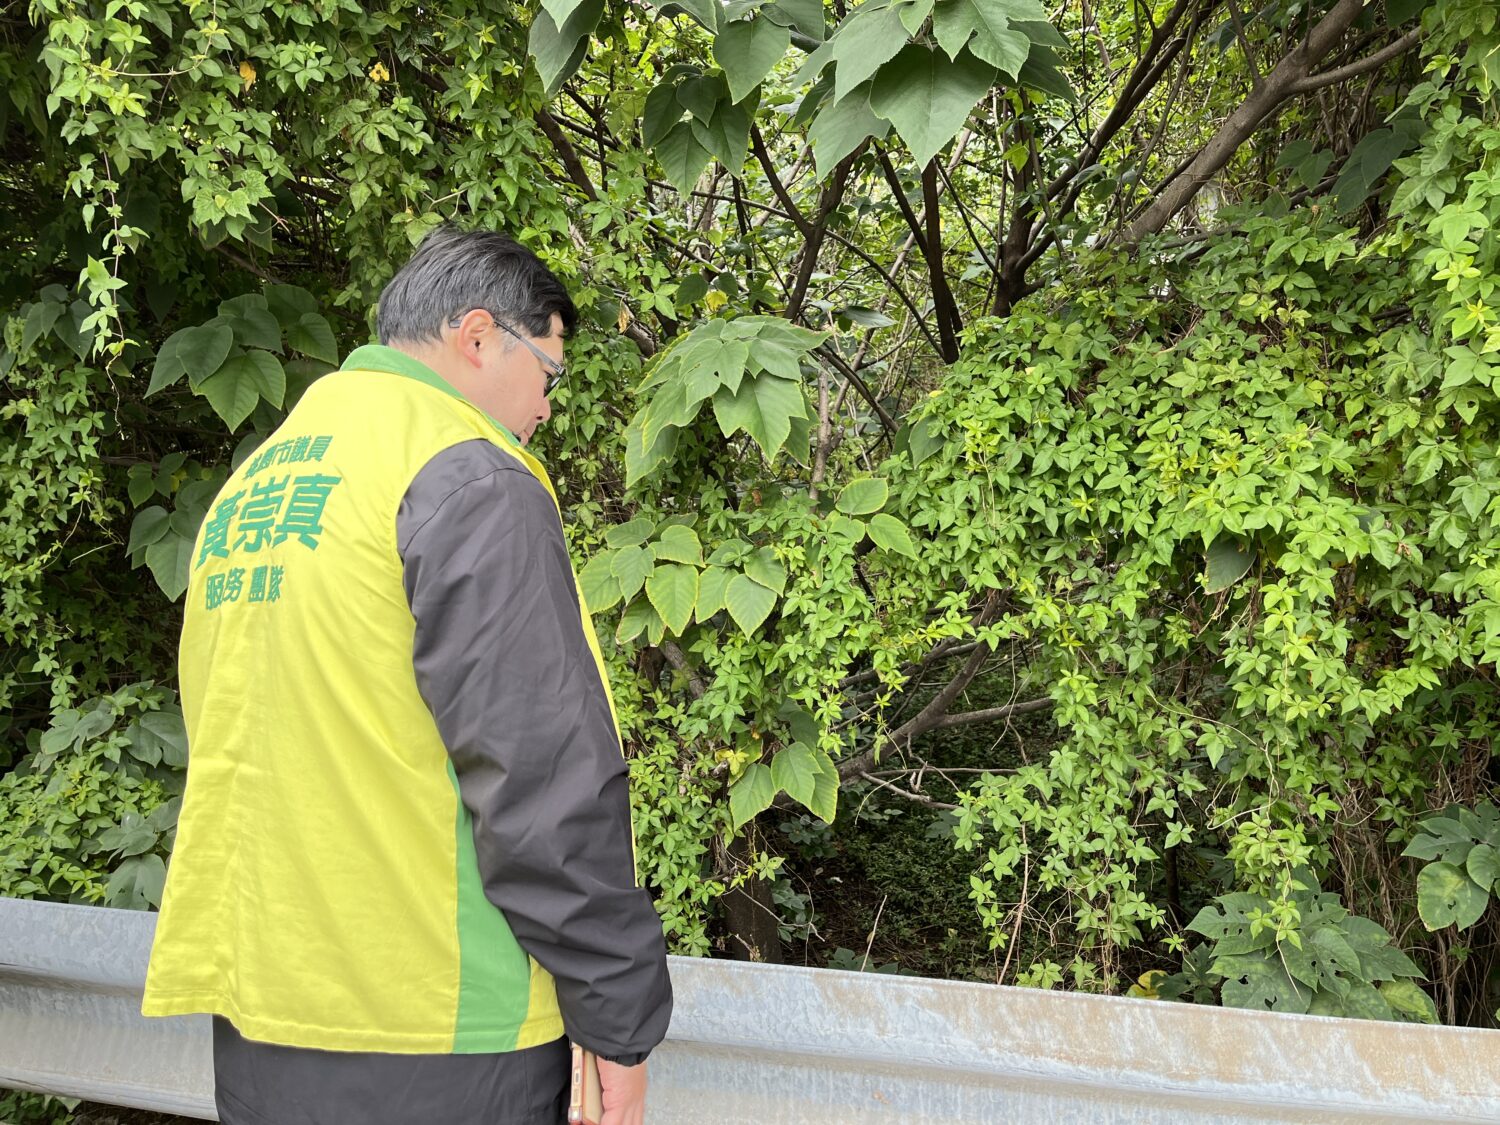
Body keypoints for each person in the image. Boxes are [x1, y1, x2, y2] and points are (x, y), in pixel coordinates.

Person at [142, 226, 673, 1125]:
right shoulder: (468, 476)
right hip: (443, 1030)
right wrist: (618, 1017)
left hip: (266, 1017)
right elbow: (540, 772)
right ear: (477, 336)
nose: (547, 408)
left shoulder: (259, 485)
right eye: (548, 372)